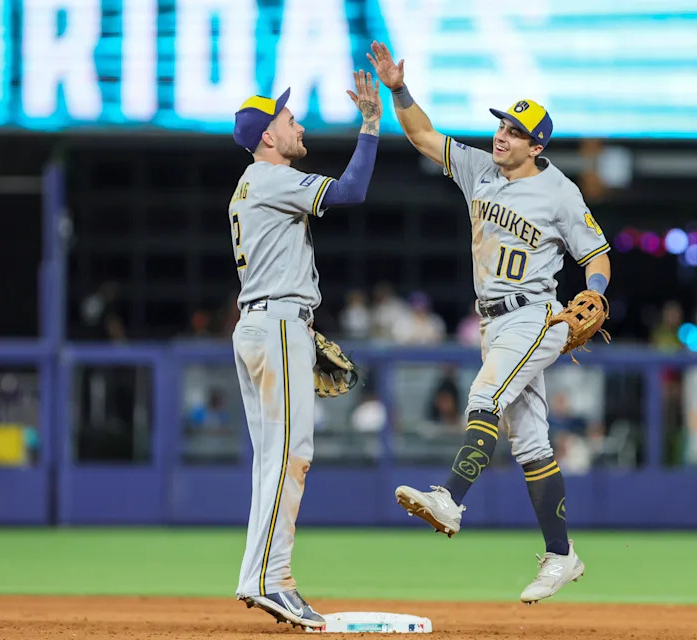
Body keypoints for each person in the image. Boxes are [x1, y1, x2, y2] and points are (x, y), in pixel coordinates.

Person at [367, 41, 612, 604]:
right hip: (492, 323)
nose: (501, 134)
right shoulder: (480, 168)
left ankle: (451, 498)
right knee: (530, 444)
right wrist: (398, 89)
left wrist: (594, 292)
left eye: (514, 130)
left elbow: (596, 256)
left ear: (536, 144)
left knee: (485, 395)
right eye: (501, 124)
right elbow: (423, 136)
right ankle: (561, 555)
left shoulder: (561, 192)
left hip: (534, 315)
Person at [228, 71, 382, 629]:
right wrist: (370, 125)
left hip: (263, 324)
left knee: (274, 460)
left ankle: (257, 575)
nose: (297, 124)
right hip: (276, 325)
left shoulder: (250, 185)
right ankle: (275, 579)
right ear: (268, 137)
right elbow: (350, 192)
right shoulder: (270, 179)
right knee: (291, 456)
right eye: (288, 119)